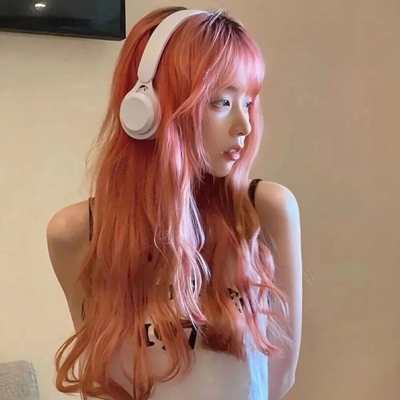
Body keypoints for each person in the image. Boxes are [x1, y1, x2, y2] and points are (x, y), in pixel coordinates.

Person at [46, 6, 302, 400]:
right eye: (222, 102)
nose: (245, 126)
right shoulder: (76, 234)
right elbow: (105, 384)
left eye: (249, 102)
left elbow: (278, 379)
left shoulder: (264, 211)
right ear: (146, 110)